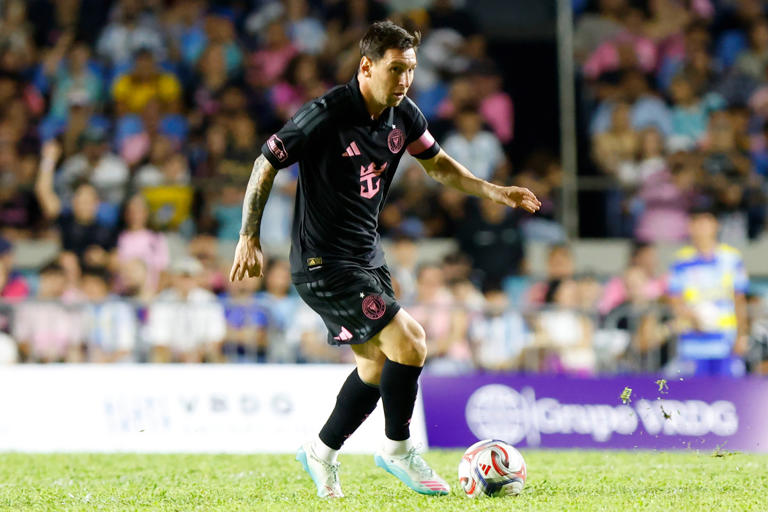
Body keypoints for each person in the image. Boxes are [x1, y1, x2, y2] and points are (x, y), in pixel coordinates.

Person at [229, 21, 540, 498]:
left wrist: (493, 191)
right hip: (323, 262)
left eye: (410, 69)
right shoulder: (326, 113)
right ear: (366, 67)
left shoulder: (405, 115)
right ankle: (399, 449)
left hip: (367, 257)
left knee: (376, 367)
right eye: (396, 69)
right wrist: (248, 235)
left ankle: (320, 451)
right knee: (411, 341)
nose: (405, 79)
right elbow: (265, 161)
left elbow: (437, 164)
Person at [667, 205, 749, 377]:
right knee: (694, 391)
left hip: (724, 341)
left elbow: (739, 299)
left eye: (706, 222)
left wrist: (742, 335)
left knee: (727, 390)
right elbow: (675, 299)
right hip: (692, 342)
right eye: (697, 223)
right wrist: (691, 316)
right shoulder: (681, 261)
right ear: (690, 227)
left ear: (716, 225)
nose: (702, 228)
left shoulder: (731, 258)